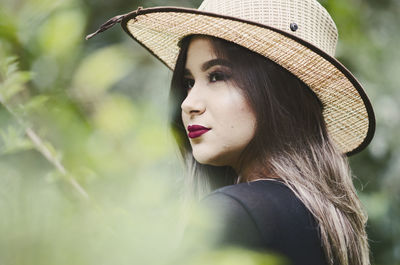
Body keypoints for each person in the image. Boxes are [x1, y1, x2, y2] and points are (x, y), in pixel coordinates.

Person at [87, 0, 375, 264]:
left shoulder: (235, 213)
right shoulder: (332, 226)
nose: (189, 104)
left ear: (277, 91)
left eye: (217, 76)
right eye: (188, 82)